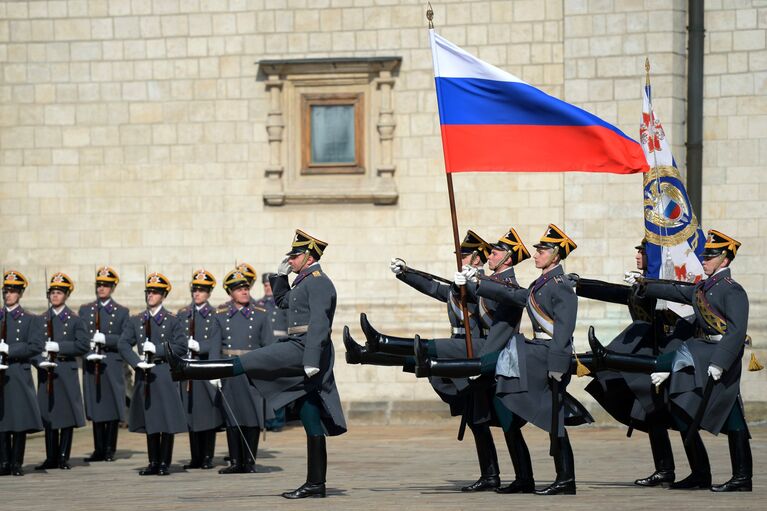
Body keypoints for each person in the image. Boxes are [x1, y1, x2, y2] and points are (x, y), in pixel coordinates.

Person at [416, 224, 594, 495]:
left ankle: (566, 479)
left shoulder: (562, 286)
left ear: (556, 255)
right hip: (535, 354)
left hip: (548, 358)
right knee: (507, 404)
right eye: (536, 250)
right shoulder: (541, 283)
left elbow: (563, 331)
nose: (536, 254)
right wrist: (478, 283)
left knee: (554, 420)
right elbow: (510, 294)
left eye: (542, 250)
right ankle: (525, 478)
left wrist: (558, 367)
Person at [169, 229, 347, 499]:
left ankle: (187, 369)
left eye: (295, 256)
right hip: (300, 346)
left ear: (309, 257)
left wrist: (311, 358)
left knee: (250, 361)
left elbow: (320, 323)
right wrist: (280, 276)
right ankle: (315, 484)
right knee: (310, 418)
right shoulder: (303, 281)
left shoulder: (320, 282)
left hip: (305, 348)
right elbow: (283, 302)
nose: (291, 259)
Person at [587, 229, 755, 492]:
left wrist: (721, 362)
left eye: (710, 256)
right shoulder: (704, 287)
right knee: (681, 412)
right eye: (705, 255)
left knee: (733, 420)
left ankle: (742, 477)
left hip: (719, 357)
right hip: (700, 354)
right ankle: (701, 474)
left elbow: (735, 331)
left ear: (725, 260)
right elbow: (677, 292)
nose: (705, 260)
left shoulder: (732, 290)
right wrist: (646, 285)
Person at [574, 240, 703, 488]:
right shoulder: (642, 284)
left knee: (682, 415)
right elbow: (616, 293)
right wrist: (579, 285)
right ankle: (664, 469)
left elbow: (672, 314)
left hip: (669, 355)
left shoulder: (664, 286)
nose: (637, 255)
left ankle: (700, 472)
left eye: (642, 252)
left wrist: (648, 286)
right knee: (652, 412)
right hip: (644, 357)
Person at [119, 272, 187, 476]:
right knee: (150, 419)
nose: (150, 295)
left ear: (163, 295)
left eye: (155, 292)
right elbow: (123, 344)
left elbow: (181, 346)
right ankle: (153, 462)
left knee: (165, 419)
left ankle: (164, 462)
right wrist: (137, 363)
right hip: (145, 373)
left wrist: (157, 349)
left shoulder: (172, 320)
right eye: (148, 291)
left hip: (163, 372)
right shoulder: (137, 320)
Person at [213, 268, 269, 474]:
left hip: (252, 370)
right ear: (230, 292)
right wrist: (213, 373)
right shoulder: (220, 314)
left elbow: (268, 345)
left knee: (252, 416)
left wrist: (267, 372)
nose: (244, 292)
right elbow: (214, 345)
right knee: (233, 416)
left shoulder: (261, 314)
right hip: (229, 369)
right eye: (239, 289)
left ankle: (250, 461)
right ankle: (236, 461)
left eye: (246, 288)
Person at [35, 273, 90, 471]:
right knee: (49, 415)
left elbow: (83, 345)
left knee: (66, 416)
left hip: (66, 369)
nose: (55, 296)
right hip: (47, 370)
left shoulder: (75, 320)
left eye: (59, 293)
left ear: (66, 295)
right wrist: (40, 361)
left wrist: (59, 346)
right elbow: (34, 345)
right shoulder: (41, 319)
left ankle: (63, 456)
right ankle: (51, 456)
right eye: (52, 293)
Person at [80, 266, 130, 462]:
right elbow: (81, 335)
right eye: (99, 285)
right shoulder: (86, 310)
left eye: (106, 285)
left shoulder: (121, 312)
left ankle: (109, 448)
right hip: (93, 362)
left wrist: (106, 339)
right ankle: (98, 449)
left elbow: (125, 339)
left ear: (112, 288)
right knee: (96, 405)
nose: (101, 288)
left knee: (111, 406)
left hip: (111, 362)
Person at [177, 269, 223, 470]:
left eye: (202, 290)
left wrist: (199, 347)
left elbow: (215, 342)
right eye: (195, 289)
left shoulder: (214, 315)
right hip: (188, 369)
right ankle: (195, 456)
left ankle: (207, 456)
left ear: (209, 293)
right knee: (191, 416)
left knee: (207, 415)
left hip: (204, 367)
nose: (197, 293)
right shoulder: (183, 314)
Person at [0, 270, 43, 476]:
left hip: (17, 371)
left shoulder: (29, 319)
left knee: (18, 420)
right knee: (1, 421)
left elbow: (35, 346)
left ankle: (16, 462)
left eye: (12, 291)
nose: (8, 295)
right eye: (5, 291)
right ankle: (3, 462)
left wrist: (11, 350)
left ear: (20, 294)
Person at [257, 272, 288, 431]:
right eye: (265, 285)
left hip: (280, 347)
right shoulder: (258, 304)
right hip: (264, 348)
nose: (268, 288)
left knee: (278, 386)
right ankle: (264, 420)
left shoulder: (282, 302)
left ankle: (277, 421)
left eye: (270, 285)